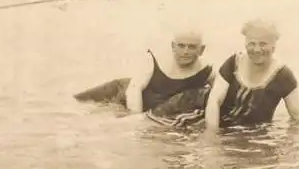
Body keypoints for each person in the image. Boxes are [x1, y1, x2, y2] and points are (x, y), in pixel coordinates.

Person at [74, 28, 214, 122]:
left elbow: (219, 95)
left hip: (156, 110)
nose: (185, 52)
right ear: (173, 46)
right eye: (181, 46)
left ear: (201, 50)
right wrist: (135, 119)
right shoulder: (155, 59)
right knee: (75, 107)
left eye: (192, 47)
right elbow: (134, 89)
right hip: (122, 94)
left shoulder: (206, 70)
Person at [204, 19, 299, 131]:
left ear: (273, 46)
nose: (257, 49)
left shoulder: (283, 75)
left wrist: (291, 144)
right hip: (221, 128)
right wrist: (211, 136)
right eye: (252, 43)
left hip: (255, 137)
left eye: (263, 44)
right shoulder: (233, 63)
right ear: (245, 43)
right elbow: (214, 100)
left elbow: (298, 119)